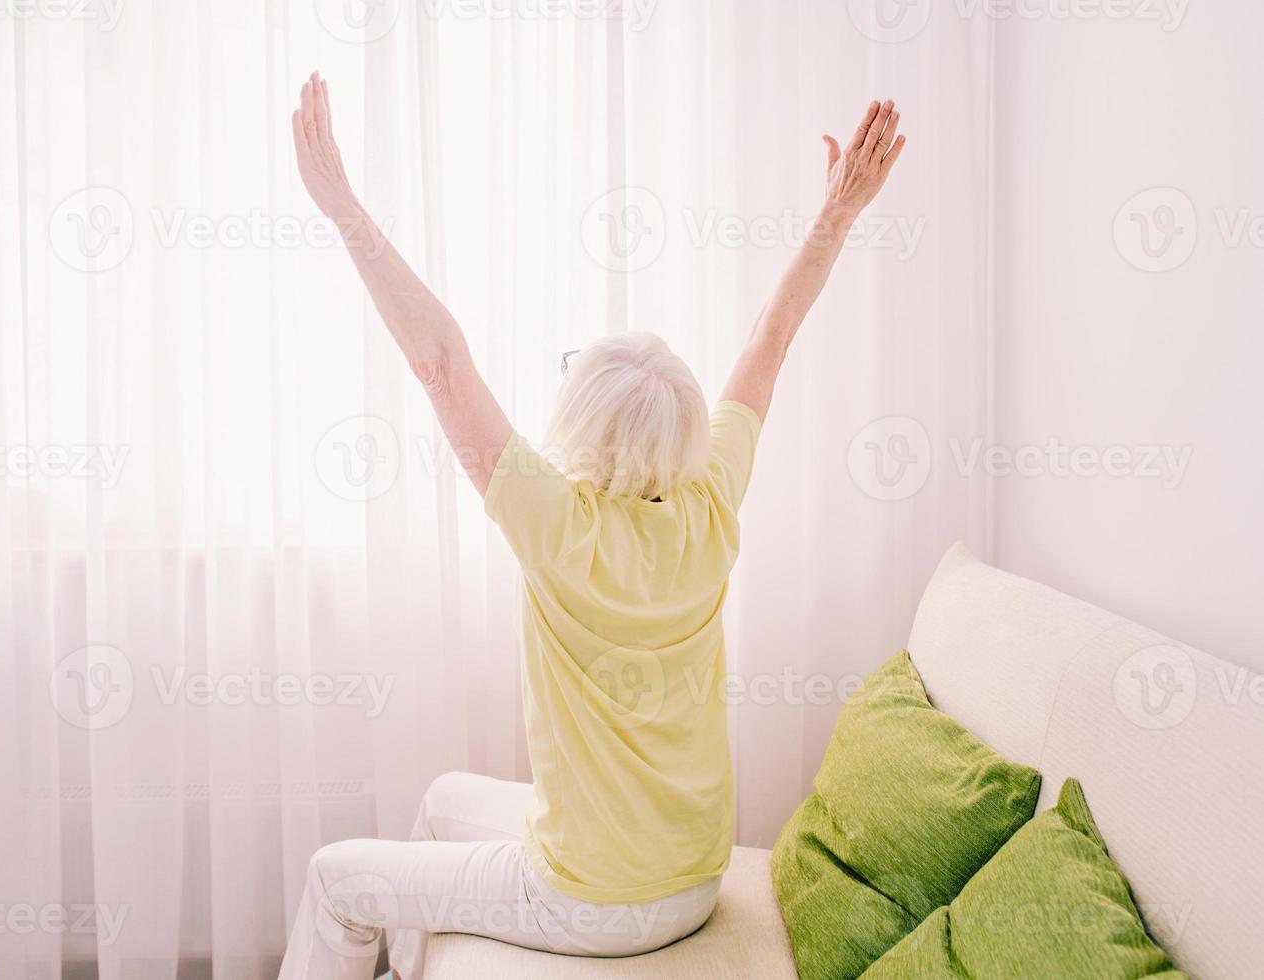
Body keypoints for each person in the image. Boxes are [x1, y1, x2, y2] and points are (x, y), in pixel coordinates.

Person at [279, 71, 905, 980]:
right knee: (444, 798)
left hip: (588, 901)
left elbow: (441, 365)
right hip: (694, 877)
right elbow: (771, 340)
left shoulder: (558, 523)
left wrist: (340, 203)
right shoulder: (710, 503)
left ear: (585, 428)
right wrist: (838, 213)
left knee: (334, 877)